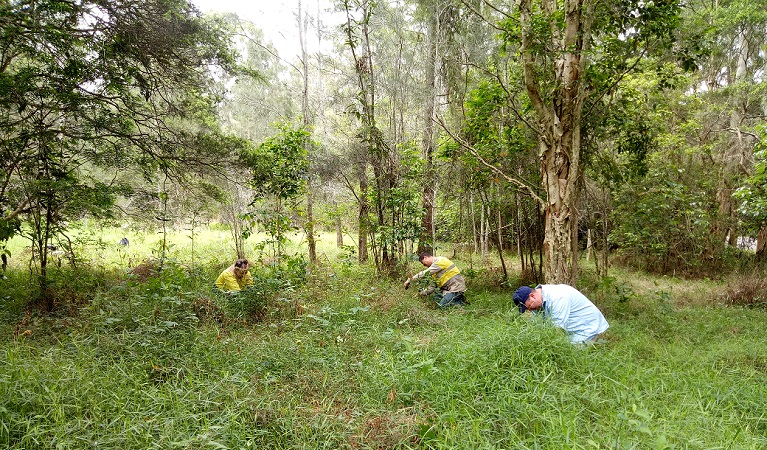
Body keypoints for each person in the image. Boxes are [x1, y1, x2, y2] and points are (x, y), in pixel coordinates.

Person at [513, 284, 609, 344]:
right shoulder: (539, 300)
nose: (530, 310)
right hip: (571, 330)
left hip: (587, 329)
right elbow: (538, 327)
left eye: (529, 307)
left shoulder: (558, 298)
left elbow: (556, 331)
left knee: (567, 355)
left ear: (532, 296)